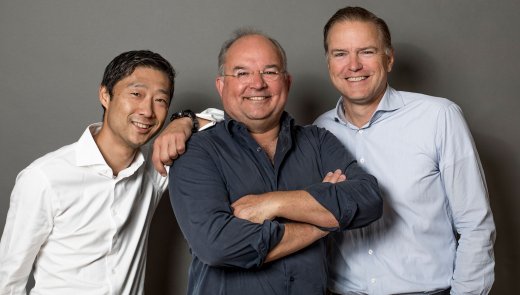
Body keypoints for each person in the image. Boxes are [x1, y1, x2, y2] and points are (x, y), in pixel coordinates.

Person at [167, 29, 382, 295]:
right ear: (222, 85)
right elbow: (218, 246)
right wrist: (321, 222)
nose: (257, 84)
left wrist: (272, 202)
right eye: (242, 73)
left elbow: (368, 198)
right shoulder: (196, 151)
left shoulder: (317, 141)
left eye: (270, 72)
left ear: (287, 83)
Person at [0, 50, 219, 294]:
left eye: (160, 100)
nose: (147, 111)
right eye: (136, 94)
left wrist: (184, 121)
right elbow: (8, 280)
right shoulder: (44, 177)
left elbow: (228, 125)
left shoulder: (156, 168)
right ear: (105, 95)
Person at [314, 6, 496, 295]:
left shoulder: (439, 117)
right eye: (340, 54)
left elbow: (476, 226)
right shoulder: (319, 130)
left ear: (389, 58)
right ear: (328, 63)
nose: (353, 65)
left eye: (367, 51)